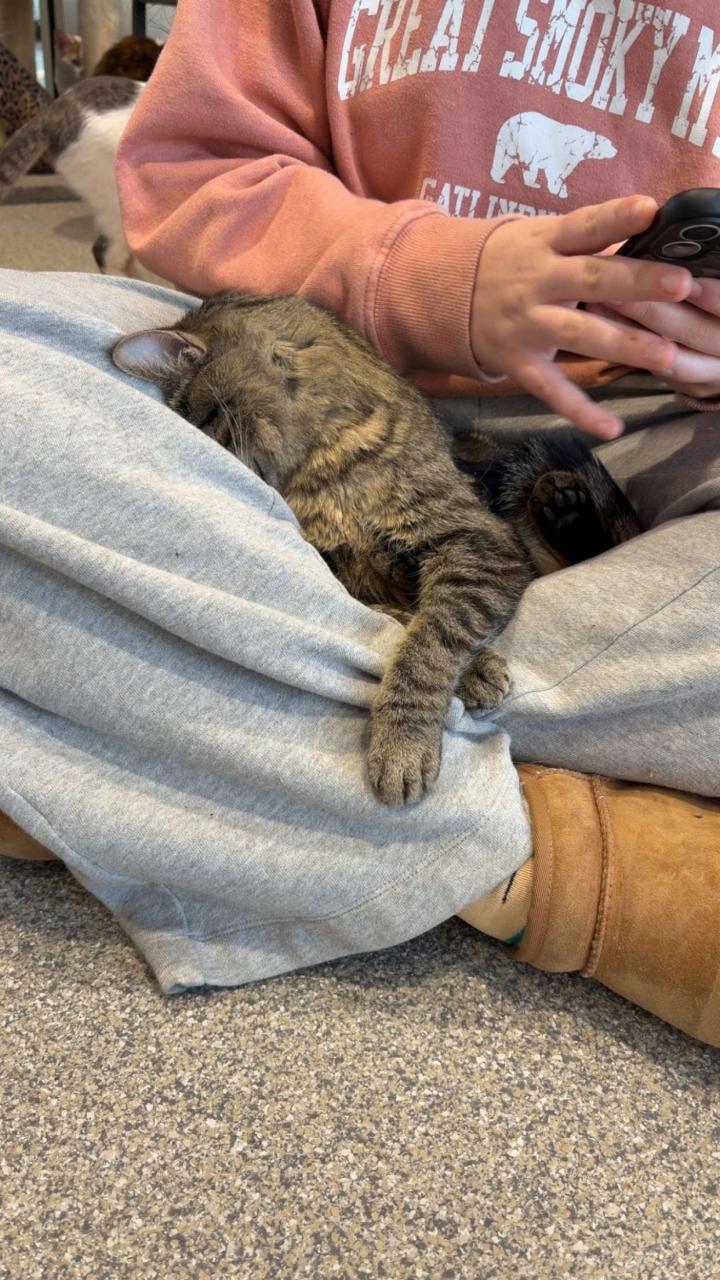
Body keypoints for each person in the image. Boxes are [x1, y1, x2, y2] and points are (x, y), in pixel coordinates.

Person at [2, 0, 719, 1045]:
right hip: (300, 370)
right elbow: (187, 173)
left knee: (74, 630)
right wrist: (434, 278)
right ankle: (552, 852)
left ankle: (206, 752)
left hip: (650, 429)